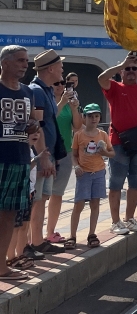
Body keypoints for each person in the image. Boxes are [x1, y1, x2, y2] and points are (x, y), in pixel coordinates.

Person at [98, 51, 137, 235]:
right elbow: (101, 78)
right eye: (128, 69)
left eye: (134, 69)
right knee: (116, 183)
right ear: (121, 72)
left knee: (136, 183)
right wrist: (122, 63)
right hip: (118, 142)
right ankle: (115, 221)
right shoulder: (115, 88)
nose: (131, 71)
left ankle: (129, 218)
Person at [0, 45, 49, 281]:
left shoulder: (28, 92)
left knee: (10, 213)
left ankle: (2, 266)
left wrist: (34, 128)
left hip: (20, 158)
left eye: (26, 61)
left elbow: (35, 124)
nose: (24, 65)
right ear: (5, 63)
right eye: (20, 60)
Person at [28, 49, 69, 256]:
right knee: (37, 201)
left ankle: (38, 240)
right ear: (51, 69)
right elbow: (38, 125)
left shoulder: (46, 91)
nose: (63, 69)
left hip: (49, 153)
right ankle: (33, 242)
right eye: (60, 65)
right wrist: (43, 155)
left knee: (43, 198)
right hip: (43, 154)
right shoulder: (37, 91)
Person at [68, 103, 114, 249]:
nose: (93, 119)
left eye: (96, 116)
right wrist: (76, 166)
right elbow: (74, 155)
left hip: (99, 172)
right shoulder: (78, 135)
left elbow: (112, 153)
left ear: (99, 117)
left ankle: (92, 234)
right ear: (84, 117)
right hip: (84, 174)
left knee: (95, 203)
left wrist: (104, 153)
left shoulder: (103, 135)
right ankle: (72, 236)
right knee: (79, 204)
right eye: (90, 116)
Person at [45, 75, 82, 245]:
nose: (60, 86)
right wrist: (61, 103)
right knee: (41, 196)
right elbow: (49, 119)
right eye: (56, 83)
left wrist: (74, 108)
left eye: (63, 83)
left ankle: (50, 232)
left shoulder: (69, 101)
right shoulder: (48, 99)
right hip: (48, 153)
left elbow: (77, 126)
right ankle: (32, 236)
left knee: (57, 194)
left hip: (65, 152)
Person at [7, 121, 41, 273]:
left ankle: (20, 254)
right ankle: (11, 256)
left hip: (30, 190)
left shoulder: (31, 149)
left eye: (37, 132)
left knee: (24, 225)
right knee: (15, 226)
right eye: (32, 132)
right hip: (21, 191)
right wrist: (39, 159)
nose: (36, 135)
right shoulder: (20, 151)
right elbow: (26, 168)